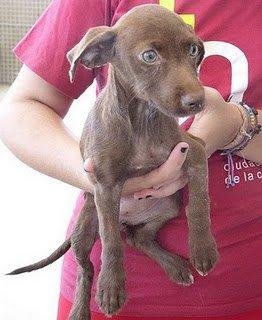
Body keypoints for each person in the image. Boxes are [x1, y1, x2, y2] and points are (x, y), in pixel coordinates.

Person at [0, 0, 261, 319]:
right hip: (121, 289)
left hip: (248, 283)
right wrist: (97, 177)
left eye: (193, 51)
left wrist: (238, 125)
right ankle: (88, 283)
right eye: (150, 56)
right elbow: (23, 108)